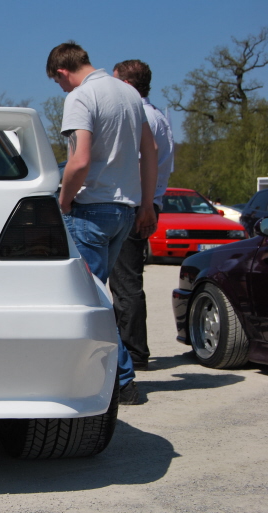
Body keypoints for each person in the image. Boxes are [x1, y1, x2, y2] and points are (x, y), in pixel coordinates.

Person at [46, 42, 158, 405]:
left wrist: (63, 201)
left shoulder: (81, 97)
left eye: (58, 82)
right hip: (125, 210)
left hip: (91, 209)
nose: (61, 89)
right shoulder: (129, 93)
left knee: (90, 299)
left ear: (62, 72)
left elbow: (79, 161)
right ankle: (114, 377)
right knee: (101, 295)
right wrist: (146, 204)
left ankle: (123, 382)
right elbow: (150, 152)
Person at [109, 60, 175, 372]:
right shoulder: (156, 115)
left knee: (125, 281)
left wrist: (145, 205)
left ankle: (134, 353)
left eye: (115, 82)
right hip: (145, 202)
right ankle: (131, 349)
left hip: (136, 204)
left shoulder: (141, 116)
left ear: (126, 85)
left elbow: (139, 165)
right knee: (126, 279)